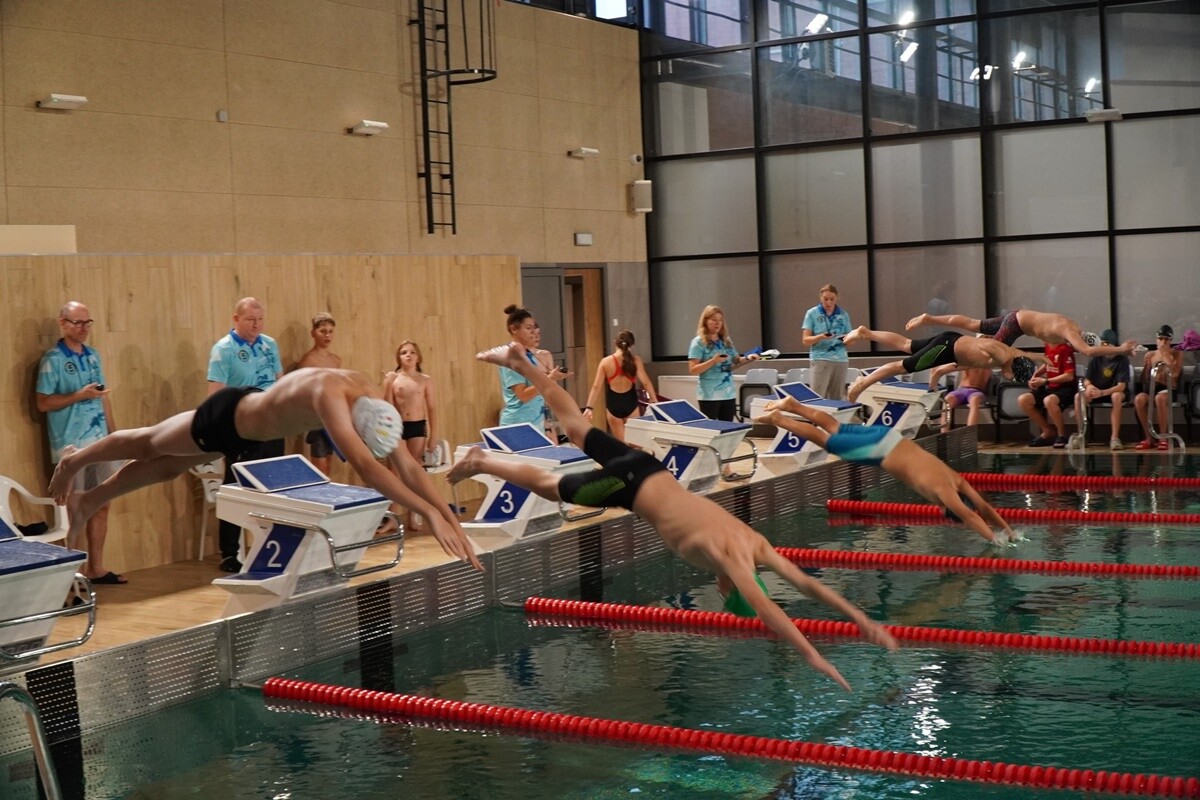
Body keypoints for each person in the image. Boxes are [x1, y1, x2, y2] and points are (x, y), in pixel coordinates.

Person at [452, 344, 896, 690]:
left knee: (576, 427)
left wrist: (862, 621)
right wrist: (811, 656)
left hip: (650, 469)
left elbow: (808, 585)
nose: (723, 590)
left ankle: (522, 363)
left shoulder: (756, 546)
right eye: (727, 594)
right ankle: (483, 461)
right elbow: (771, 612)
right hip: (627, 488)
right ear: (730, 591)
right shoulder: (731, 562)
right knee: (552, 486)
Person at [46, 368, 482, 572]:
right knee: (149, 444)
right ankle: (75, 461)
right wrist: (425, 513)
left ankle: (89, 500)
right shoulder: (328, 395)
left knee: (163, 471)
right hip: (227, 417)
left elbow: (405, 464)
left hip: (248, 434)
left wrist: (445, 514)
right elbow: (369, 468)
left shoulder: (367, 395)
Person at [755, 395, 1017, 546]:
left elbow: (983, 507)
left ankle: (793, 405)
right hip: (879, 450)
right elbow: (971, 516)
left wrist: (1009, 532)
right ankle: (780, 419)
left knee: (836, 427)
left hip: (890, 436)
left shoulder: (956, 480)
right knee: (828, 442)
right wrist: (995, 541)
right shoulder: (945, 493)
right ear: (947, 509)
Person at [35, 301, 125, 585]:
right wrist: (78, 396)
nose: (83, 328)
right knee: (75, 512)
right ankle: (73, 575)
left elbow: (103, 398)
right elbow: (42, 403)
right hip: (71, 446)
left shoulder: (93, 355)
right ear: (63, 323)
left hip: (100, 442)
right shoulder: (52, 360)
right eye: (77, 322)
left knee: (102, 504)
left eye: (87, 322)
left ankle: (96, 568)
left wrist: (114, 436)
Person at [207, 297, 284, 572]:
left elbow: (280, 383)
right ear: (236, 319)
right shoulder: (223, 349)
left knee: (275, 489)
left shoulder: (269, 344)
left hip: (272, 426)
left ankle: (273, 547)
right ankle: (229, 553)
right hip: (242, 430)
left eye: (260, 319)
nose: (256, 325)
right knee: (236, 490)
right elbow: (215, 396)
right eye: (251, 319)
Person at [843, 326, 1038, 402]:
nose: (1008, 378)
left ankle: (866, 333)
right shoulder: (998, 357)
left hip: (950, 341)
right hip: (945, 348)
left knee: (906, 344)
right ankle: (862, 384)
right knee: (900, 366)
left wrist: (937, 375)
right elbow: (983, 346)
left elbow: (958, 365)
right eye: (1013, 376)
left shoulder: (1004, 358)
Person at [905, 308, 1137, 358]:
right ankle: (948, 352)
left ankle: (929, 318)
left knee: (974, 324)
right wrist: (1121, 349)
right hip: (1015, 325)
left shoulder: (1073, 324)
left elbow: (1094, 345)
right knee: (988, 356)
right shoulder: (1069, 332)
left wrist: (1107, 346)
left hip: (1016, 316)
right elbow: (1088, 351)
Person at [381, 340, 438, 531]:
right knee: (394, 474)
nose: (408, 355)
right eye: (404, 352)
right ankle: (393, 517)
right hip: (398, 427)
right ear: (398, 358)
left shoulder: (425, 380)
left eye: (412, 352)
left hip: (417, 427)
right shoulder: (393, 379)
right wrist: (387, 383)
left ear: (418, 357)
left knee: (414, 472)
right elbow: (387, 405)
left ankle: (415, 515)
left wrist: (433, 435)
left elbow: (432, 408)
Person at [497, 305, 567, 427]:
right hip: (518, 423)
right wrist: (550, 378)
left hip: (536, 420)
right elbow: (523, 395)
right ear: (514, 329)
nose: (534, 333)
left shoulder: (529, 356)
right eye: (528, 328)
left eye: (534, 328)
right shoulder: (512, 357)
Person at [583, 330, 659, 441]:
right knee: (636, 443)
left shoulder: (605, 362)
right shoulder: (636, 360)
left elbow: (596, 387)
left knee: (622, 445)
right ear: (631, 345)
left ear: (615, 342)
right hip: (631, 403)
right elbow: (646, 382)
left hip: (614, 404)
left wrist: (589, 408)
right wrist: (654, 399)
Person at [687, 305, 759, 421]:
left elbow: (736, 360)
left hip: (728, 393)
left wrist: (748, 358)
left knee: (728, 426)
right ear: (705, 321)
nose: (718, 323)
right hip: (709, 395)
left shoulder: (726, 340)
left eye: (720, 320)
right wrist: (713, 361)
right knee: (711, 427)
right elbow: (693, 370)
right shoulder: (698, 342)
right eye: (714, 319)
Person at [296, 312, 342, 475]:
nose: (327, 335)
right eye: (323, 331)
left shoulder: (336, 360)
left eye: (330, 331)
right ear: (313, 333)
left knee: (328, 465)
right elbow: (301, 391)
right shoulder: (308, 360)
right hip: (317, 418)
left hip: (333, 417)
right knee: (320, 467)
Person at [1133, 324, 1184, 450]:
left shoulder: (1176, 353)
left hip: (1168, 388)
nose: (1163, 342)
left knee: (1160, 398)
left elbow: (1175, 374)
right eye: (1160, 339)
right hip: (1152, 388)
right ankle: (1149, 437)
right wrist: (1146, 366)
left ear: (1171, 341)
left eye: (1166, 339)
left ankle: (1163, 438)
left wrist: (1165, 354)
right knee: (1139, 399)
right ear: (1156, 340)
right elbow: (1144, 379)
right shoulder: (1151, 355)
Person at [1018, 341, 1077, 448]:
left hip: (1066, 388)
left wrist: (1045, 381)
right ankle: (1047, 431)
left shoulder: (1065, 349)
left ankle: (1061, 435)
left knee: (1049, 401)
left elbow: (1069, 376)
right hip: (1050, 387)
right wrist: (1035, 375)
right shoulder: (1048, 346)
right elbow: (1048, 364)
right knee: (1023, 400)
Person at [1079, 329, 1131, 451]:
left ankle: (1115, 438)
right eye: (1101, 344)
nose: (1103, 347)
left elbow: (1121, 386)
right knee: (1079, 397)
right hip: (1098, 391)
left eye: (1106, 344)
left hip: (1115, 392)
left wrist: (1101, 393)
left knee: (1116, 396)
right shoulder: (1096, 358)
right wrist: (1089, 386)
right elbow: (1087, 379)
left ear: (1114, 345)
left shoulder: (1122, 360)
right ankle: (1081, 434)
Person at [801, 284, 852, 400]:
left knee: (837, 397)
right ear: (820, 298)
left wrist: (846, 338)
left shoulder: (843, 314)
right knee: (818, 396)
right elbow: (805, 340)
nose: (828, 303)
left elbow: (851, 340)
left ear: (837, 298)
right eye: (825, 299)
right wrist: (820, 337)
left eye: (832, 299)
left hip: (840, 359)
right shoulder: (812, 313)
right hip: (820, 358)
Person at [940, 366, 992, 434]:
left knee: (974, 400)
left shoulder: (988, 365)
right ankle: (944, 435)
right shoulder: (967, 363)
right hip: (961, 390)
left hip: (977, 391)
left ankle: (969, 434)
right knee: (947, 399)